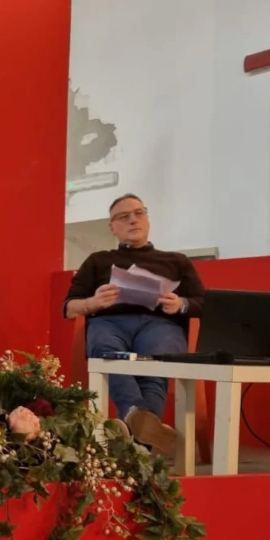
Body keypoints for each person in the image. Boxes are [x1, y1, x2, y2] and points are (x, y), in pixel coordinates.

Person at [63, 193, 205, 454]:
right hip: (110, 322)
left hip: (160, 322)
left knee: (155, 362)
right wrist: (92, 303)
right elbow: (70, 307)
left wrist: (181, 303)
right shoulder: (98, 260)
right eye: (123, 216)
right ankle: (142, 434)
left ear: (148, 220)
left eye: (139, 213)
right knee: (107, 351)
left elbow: (203, 302)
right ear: (112, 227)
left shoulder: (177, 261)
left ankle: (136, 429)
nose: (133, 220)